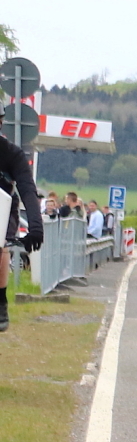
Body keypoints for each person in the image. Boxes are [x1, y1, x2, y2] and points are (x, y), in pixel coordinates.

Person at [0, 136, 40, 333]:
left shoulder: (11, 153)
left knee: (1, 244)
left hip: (3, 205)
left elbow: (27, 190)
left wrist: (36, 226)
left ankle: (0, 299)